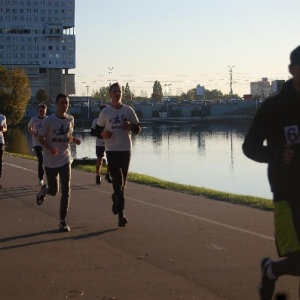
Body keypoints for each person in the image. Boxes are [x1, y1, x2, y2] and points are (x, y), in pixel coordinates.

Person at [243, 45, 300, 300]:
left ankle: (271, 270)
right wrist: (277, 154)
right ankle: (271, 269)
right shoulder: (275, 107)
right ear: (291, 70)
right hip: (287, 194)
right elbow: (249, 146)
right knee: (298, 261)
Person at [96, 82, 141, 227]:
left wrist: (131, 126)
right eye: (114, 91)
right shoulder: (105, 113)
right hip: (111, 151)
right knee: (118, 182)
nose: (117, 93)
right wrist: (103, 133)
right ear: (110, 94)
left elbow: (138, 128)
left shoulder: (128, 111)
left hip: (125, 150)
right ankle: (121, 216)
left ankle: (116, 201)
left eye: (119, 91)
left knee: (122, 185)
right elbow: (95, 131)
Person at [36, 93, 81, 232]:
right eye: (62, 103)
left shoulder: (70, 119)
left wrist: (74, 140)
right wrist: (50, 148)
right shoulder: (48, 121)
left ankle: (62, 221)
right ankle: (44, 190)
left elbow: (68, 135)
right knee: (54, 191)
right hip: (50, 160)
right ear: (56, 104)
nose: (65, 105)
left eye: (67, 103)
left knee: (66, 190)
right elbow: (40, 138)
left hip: (65, 158)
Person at [91, 105, 113, 185]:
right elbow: (92, 132)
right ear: (100, 112)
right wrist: (101, 134)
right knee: (99, 160)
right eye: (102, 111)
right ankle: (98, 175)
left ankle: (108, 174)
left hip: (109, 143)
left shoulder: (110, 120)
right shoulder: (96, 121)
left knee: (110, 160)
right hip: (100, 143)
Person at [28, 103, 48, 186]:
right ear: (37, 111)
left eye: (43, 111)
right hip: (37, 143)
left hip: (46, 142)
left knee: (47, 161)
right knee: (41, 159)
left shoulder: (48, 119)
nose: (42, 112)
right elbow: (29, 128)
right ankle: (40, 178)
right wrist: (33, 133)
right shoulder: (33, 120)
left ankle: (50, 176)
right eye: (40, 111)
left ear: (45, 111)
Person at [0, 113, 7, 188]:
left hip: (0, 141)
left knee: (0, 161)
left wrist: (3, 129)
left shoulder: (2, 117)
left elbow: (5, 128)